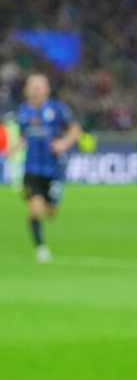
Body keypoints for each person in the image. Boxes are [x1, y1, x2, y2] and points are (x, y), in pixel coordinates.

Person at [13, 73, 80, 263]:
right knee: (36, 210)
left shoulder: (57, 109)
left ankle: (42, 217)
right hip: (31, 170)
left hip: (54, 170)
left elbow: (75, 130)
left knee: (50, 212)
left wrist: (63, 143)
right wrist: (12, 149)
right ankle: (41, 248)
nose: (36, 89)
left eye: (39, 86)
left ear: (47, 89)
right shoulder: (22, 111)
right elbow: (23, 136)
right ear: (26, 89)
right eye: (33, 86)